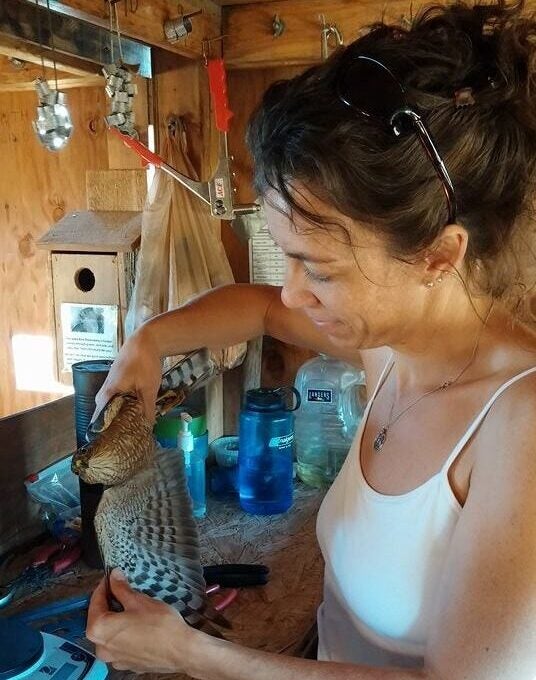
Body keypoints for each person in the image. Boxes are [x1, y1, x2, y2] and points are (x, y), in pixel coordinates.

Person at [86, 2, 536, 678]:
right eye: (286, 256)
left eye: (320, 269)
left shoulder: (519, 423)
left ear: (439, 255)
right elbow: (262, 310)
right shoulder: (393, 349)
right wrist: (148, 343)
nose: (294, 291)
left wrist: (194, 653)